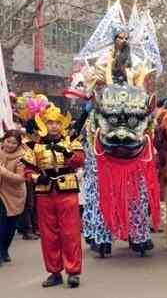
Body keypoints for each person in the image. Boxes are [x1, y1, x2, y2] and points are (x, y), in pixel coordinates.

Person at [21, 106, 85, 288]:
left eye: (57, 122)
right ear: (44, 124)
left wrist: (66, 153)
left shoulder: (71, 140)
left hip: (68, 190)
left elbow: (80, 160)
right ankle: (54, 272)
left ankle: (73, 272)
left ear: (62, 124)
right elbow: (27, 170)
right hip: (45, 192)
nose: (54, 126)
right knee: (49, 235)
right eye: (50, 122)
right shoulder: (35, 145)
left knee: (70, 233)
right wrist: (36, 177)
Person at [0, 130, 26, 266]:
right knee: (1, 224)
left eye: (13, 143)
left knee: (9, 227)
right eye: (8, 141)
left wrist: (3, 172)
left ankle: (4, 250)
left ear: (18, 145)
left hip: (14, 195)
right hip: (0, 194)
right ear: (3, 140)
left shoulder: (22, 158)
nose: (10, 145)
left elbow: (21, 178)